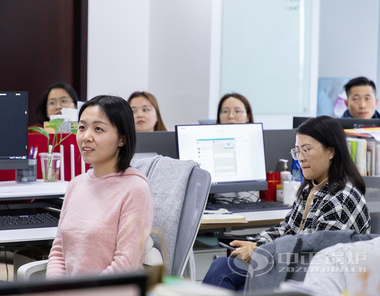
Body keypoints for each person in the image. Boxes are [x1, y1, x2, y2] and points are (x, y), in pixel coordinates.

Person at [202, 116, 371, 291]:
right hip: (293, 267)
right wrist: (253, 243)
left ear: (330, 152)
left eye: (306, 150)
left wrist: (260, 250)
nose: (300, 158)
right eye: (297, 151)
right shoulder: (310, 188)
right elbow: (287, 229)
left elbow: (312, 250)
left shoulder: (341, 198)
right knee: (224, 267)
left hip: (314, 278)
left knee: (224, 272)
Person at [46, 95, 153, 278]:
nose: (86, 137)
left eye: (98, 129)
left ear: (122, 139)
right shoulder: (76, 184)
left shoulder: (136, 189)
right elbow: (58, 253)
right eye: (82, 127)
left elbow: (125, 264)